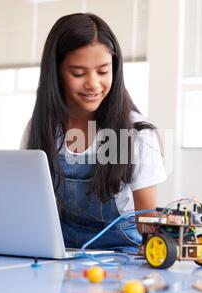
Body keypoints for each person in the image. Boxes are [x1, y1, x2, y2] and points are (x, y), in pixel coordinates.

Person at [20, 13, 166, 253]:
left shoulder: (134, 134)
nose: (93, 84)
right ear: (56, 73)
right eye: (78, 73)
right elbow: (29, 207)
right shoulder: (43, 128)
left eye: (103, 71)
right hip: (61, 253)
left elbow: (148, 225)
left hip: (122, 255)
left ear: (115, 69)